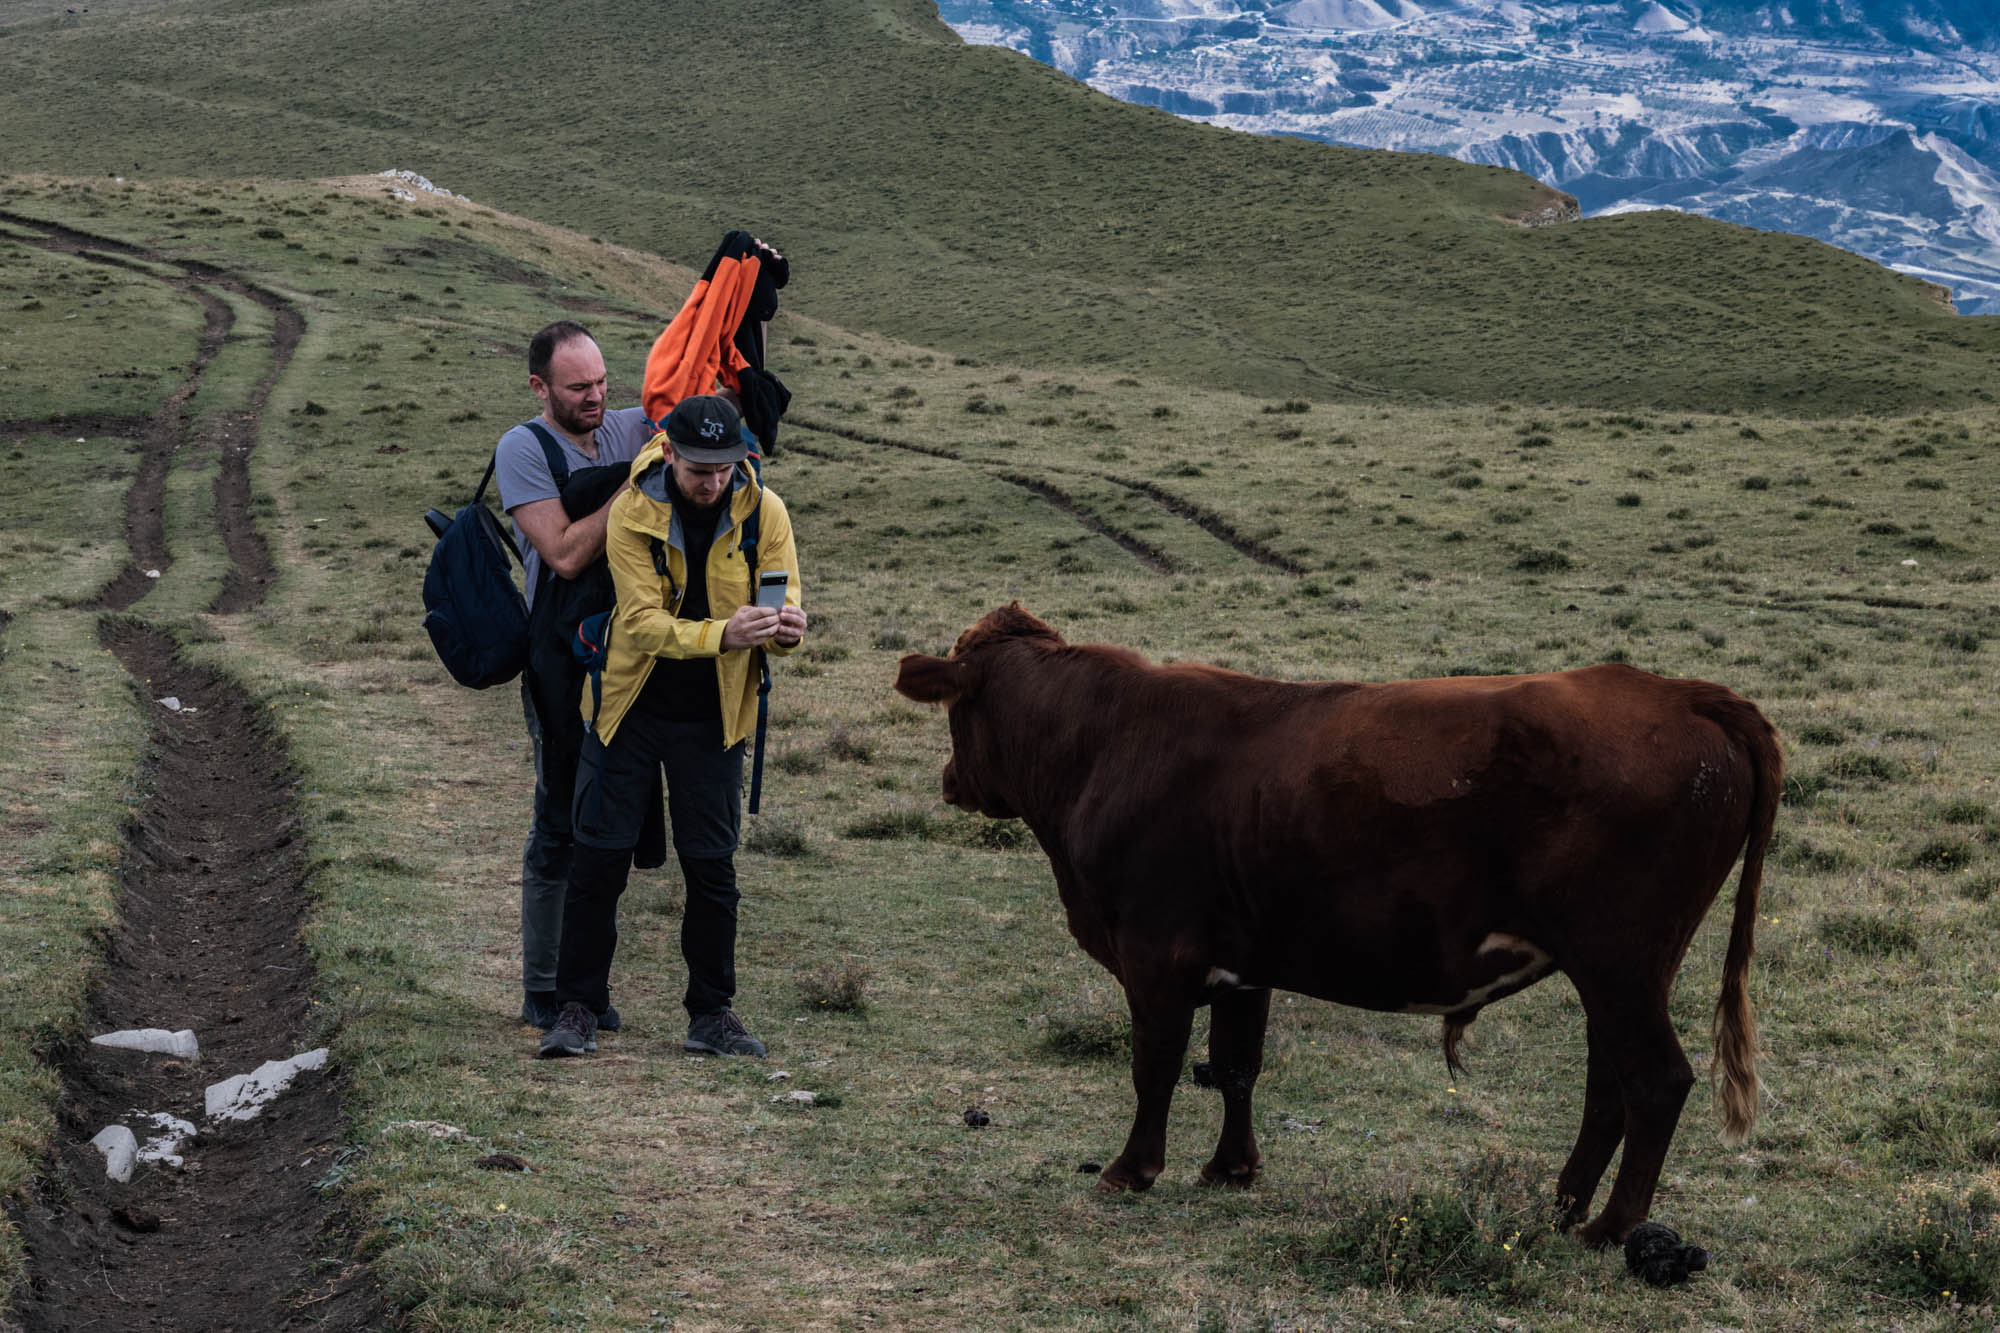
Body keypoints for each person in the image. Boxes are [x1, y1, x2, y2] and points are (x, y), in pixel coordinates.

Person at [538, 393, 806, 1059]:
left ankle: (711, 1013)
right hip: (628, 706)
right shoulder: (634, 509)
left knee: (713, 868)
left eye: (723, 469)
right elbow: (640, 622)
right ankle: (579, 1005)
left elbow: (784, 598)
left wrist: (786, 630)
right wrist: (725, 632)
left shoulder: (765, 511)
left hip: (716, 716)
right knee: (598, 859)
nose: (712, 482)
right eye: (698, 471)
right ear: (672, 456)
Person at [494, 320, 657, 1031]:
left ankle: (584, 989)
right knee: (558, 820)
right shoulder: (523, 449)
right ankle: (541, 988)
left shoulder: (628, 425)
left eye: (601, 382)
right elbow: (562, 552)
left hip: (628, 655)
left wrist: (744, 302)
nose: (596, 397)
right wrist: (640, 483)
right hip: (556, 662)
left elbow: (710, 407)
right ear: (540, 387)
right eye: (577, 388)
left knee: (611, 824)